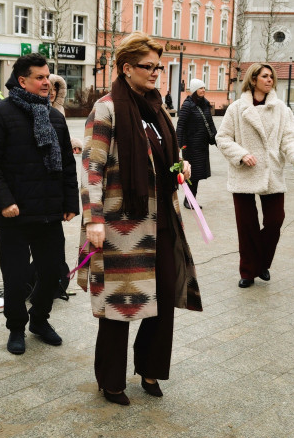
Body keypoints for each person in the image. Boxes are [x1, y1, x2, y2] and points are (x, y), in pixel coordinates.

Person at [79, 33, 202, 405]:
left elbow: (165, 156)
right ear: (126, 67)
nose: (155, 74)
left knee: (162, 300)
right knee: (119, 307)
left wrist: (180, 167)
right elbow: (91, 168)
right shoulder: (107, 108)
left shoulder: (157, 108)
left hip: (163, 222)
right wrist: (93, 220)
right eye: (147, 67)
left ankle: (150, 370)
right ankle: (111, 380)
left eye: (158, 67)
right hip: (121, 226)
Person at [0, 54, 78, 355]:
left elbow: (68, 165)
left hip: (49, 213)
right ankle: (16, 327)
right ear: (22, 81)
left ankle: (40, 320)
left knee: (54, 273)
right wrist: (4, 201)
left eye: (48, 77)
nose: (47, 82)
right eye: (40, 77)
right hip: (15, 214)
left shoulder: (55, 117)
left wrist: (70, 202)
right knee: (16, 278)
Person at [216, 63, 294, 287]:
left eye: (271, 77)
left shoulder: (281, 110)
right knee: (247, 226)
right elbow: (223, 138)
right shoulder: (237, 109)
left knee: (276, 220)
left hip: (271, 172)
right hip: (244, 172)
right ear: (253, 79)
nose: (270, 80)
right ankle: (248, 271)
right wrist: (241, 154)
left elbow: (290, 139)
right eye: (265, 76)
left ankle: (262, 263)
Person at [176, 78, 217, 208]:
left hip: (202, 145)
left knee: (197, 175)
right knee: (191, 174)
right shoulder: (188, 105)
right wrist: (177, 145)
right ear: (194, 90)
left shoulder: (205, 104)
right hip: (191, 146)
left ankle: (191, 199)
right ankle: (189, 200)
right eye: (200, 88)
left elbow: (210, 123)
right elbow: (180, 125)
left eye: (204, 87)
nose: (203, 90)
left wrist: (217, 139)